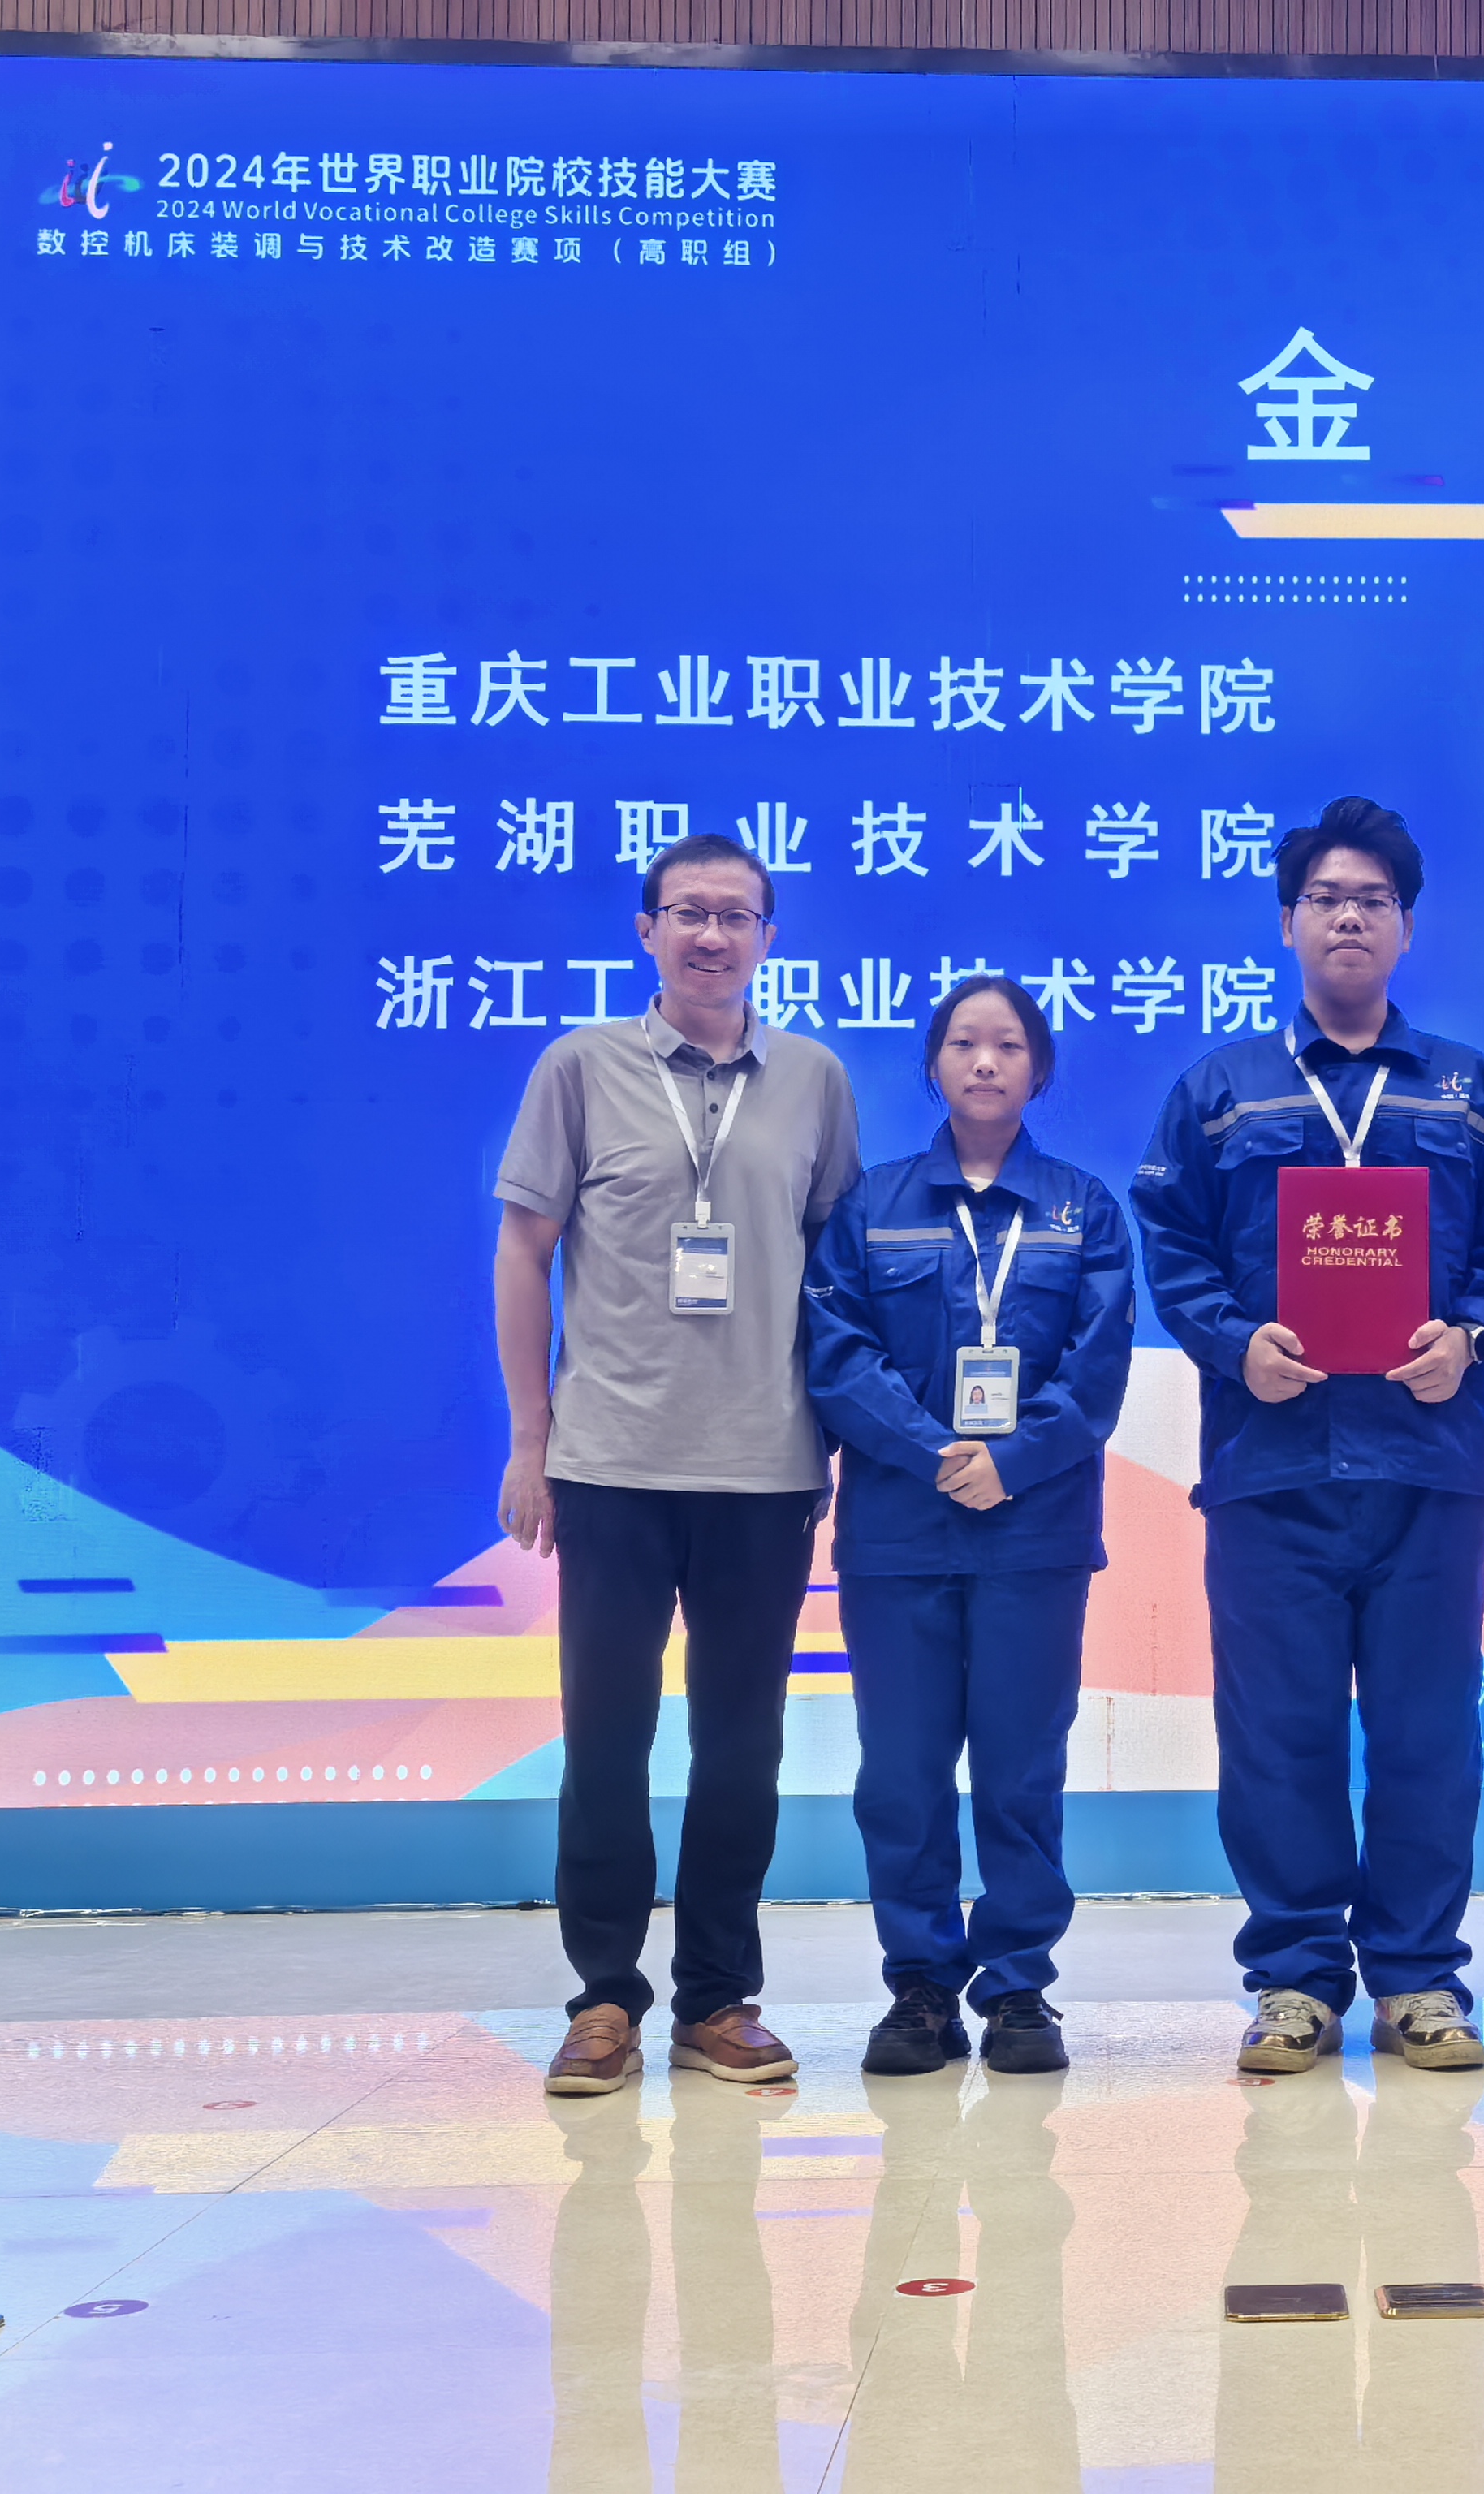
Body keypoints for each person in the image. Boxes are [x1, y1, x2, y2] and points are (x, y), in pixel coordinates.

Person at [1132, 796, 1484, 2075]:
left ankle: (1420, 1980)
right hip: (1272, 1466)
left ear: (1407, 927)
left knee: (1428, 1735)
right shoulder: (1219, 1091)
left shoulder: (1473, 1091)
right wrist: (1234, 1344)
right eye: (1327, 899)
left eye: (1373, 900)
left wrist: (1469, 1334)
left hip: (1430, 1464)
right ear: (1289, 923)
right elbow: (1173, 1247)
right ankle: (1295, 1980)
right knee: (1281, 1736)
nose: (1350, 918)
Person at [494, 829, 861, 2096]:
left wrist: (848, 1439)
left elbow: (841, 1277)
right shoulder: (579, 1067)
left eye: (736, 915)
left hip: (765, 1466)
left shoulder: (814, 1080)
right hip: (611, 1462)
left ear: (768, 937)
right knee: (604, 1740)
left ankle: (717, 1998)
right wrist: (531, 1438)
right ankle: (603, 2000)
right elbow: (524, 1252)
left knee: (741, 1747)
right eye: (688, 912)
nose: (712, 935)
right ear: (646, 929)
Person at [805, 976, 1134, 2078]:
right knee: (900, 1773)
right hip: (900, 1536)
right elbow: (837, 1356)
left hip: (1033, 1536)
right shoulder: (873, 1205)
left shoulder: (1083, 1210)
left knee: (1021, 1769)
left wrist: (1012, 1461)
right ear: (934, 1065)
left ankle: (1019, 1987)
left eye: (1008, 1045)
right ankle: (919, 1987)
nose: (985, 1062)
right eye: (962, 1043)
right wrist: (935, 1454)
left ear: (1040, 1069)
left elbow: (1097, 1370)